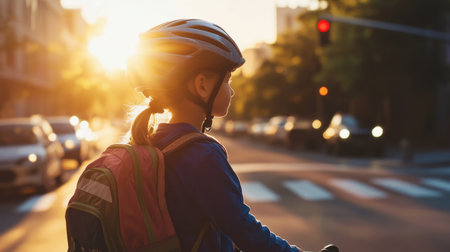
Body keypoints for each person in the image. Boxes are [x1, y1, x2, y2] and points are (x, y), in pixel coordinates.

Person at [126, 19, 301, 252]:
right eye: (227, 79)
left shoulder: (150, 140)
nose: (232, 89)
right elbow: (246, 232)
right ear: (202, 86)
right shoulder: (202, 155)